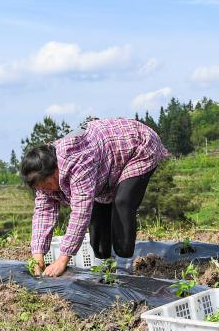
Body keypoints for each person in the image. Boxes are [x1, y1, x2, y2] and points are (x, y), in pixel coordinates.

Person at [23, 118, 169, 277]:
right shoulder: (43, 180)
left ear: (55, 170)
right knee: (98, 222)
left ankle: (123, 268)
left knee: (123, 203)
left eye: (46, 184)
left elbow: (80, 212)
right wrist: (38, 258)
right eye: (40, 187)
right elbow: (43, 214)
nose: (44, 189)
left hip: (138, 146)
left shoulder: (77, 161)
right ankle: (103, 267)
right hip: (106, 166)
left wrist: (63, 260)